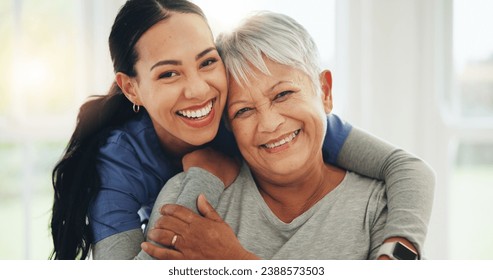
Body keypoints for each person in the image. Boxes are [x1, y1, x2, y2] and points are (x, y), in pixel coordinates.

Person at [50, 0, 434, 260]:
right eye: (169, 73)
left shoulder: (280, 129)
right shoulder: (119, 166)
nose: (199, 90)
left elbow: (408, 168)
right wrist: (204, 177)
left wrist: (235, 263)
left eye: (206, 62)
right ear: (131, 87)